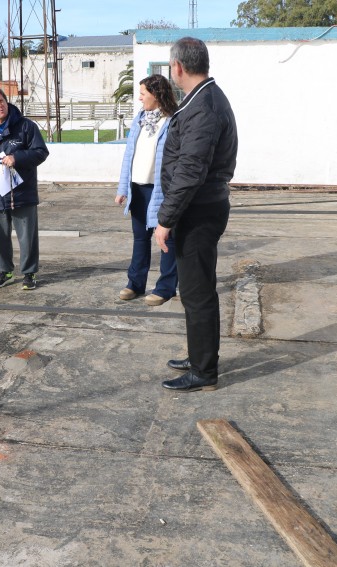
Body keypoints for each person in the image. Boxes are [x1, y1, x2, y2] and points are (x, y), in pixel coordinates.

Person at [154, 37, 238, 392]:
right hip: (199, 207)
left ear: (178, 67)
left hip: (198, 211)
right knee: (194, 291)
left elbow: (190, 171)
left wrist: (165, 220)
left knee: (197, 292)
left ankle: (204, 371)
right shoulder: (202, 99)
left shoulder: (204, 106)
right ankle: (200, 355)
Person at [0, 88, 49, 290]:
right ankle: (4, 271)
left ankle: (29, 273)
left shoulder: (26, 126)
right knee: (0, 238)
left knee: (27, 237)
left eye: (2, 101)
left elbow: (41, 152)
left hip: (22, 193)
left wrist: (17, 158)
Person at [115, 75, 179, 307]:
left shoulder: (173, 121)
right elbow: (129, 155)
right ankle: (135, 284)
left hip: (161, 190)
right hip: (137, 188)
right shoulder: (139, 120)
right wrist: (123, 187)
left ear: (156, 94)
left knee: (166, 240)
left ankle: (165, 287)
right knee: (140, 238)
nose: (140, 98)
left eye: (143, 93)